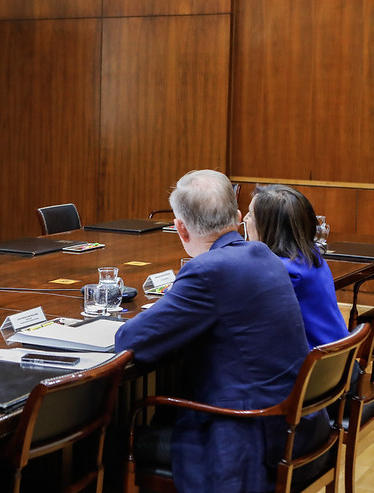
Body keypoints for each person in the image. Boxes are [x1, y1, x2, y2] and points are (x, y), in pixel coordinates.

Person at [114, 169, 330, 493]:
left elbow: (129, 339)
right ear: (238, 217)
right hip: (300, 428)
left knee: (112, 442)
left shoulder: (206, 270)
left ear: (181, 229)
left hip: (250, 439)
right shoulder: (265, 255)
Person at [244, 184, 349, 348]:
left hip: (317, 366)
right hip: (338, 357)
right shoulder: (311, 254)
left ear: (268, 227)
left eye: (250, 214)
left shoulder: (284, 272)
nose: (244, 219)